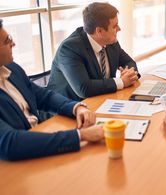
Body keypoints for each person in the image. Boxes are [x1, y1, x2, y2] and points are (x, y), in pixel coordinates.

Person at [0, 19, 104, 160]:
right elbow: (9, 143)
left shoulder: (12, 68)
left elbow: (43, 96)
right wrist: (81, 135)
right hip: (19, 159)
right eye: (7, 41)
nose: (13, 44)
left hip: (40, 139)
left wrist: (77, 107)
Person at [48, 2, 140, 101]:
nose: (119, 29)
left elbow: (129, 62)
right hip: (67, 108)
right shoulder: (69, 48)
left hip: (101, 100)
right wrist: (121, 82)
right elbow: (84, 88)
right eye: (114, 26)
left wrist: (130, 73)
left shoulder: (111, 41)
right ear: (99, 31)